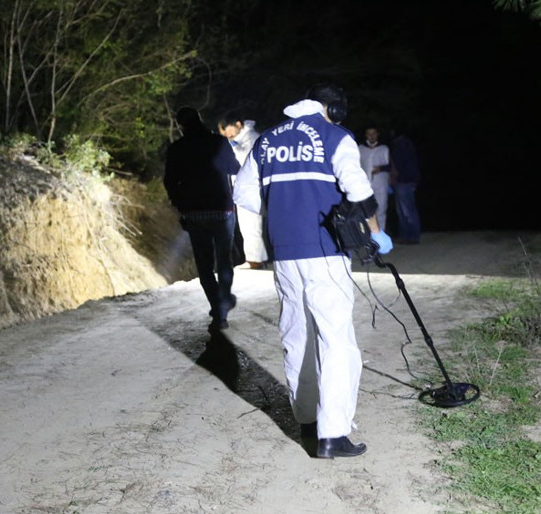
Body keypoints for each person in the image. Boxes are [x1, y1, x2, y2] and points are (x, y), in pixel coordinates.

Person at [233, 83, 393, 459]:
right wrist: (376, 233)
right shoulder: (335, 135)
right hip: (324, 250)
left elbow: (244, 196)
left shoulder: (268, 140)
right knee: (336, 339)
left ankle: (306, 421)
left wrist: (286, 208)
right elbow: (358, 190)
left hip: (284, 253)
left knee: (297, 333)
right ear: (333, 109)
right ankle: (332, 434)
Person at [164, 106, 240, 331]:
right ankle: (223, 303)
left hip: (195, 213)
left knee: (205, 266)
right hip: (222, 210)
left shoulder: (177, 149)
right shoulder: (218, 142)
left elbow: (170, 182)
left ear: (180, 125)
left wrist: (181, 206)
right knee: (224, 261)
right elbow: (235, 168)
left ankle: (218, 312)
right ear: (200, 119)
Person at [218, 114, 270, 269]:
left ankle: (256, 260)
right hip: (245, 188)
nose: (227, 135)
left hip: (252, 188)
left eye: (227, 131)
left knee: (251, 224)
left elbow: (246, 160)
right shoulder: (242, 138)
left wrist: (231, 148)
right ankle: (256, 258)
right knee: (247, 225)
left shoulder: (252, 137)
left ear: (238, 124)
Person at [388, 129, 422, 244]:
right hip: (406, 181)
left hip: (404, 181)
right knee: (405, 209)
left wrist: (394, 176)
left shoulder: (401, 145)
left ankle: (411, 236)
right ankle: (407, 235)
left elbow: (400, 165)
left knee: (406, 210)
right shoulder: (404, 144)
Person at [358, 125, 390, 231]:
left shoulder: (384, 148)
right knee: (366, 210)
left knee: (381, 209)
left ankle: (381, 234)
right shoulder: (361, 148)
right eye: (369, 134)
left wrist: (381, 168)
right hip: (365, 184)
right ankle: (367, 237)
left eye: (374, 134)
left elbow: (390, 165)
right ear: (366, 135)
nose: (371, 136)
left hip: (381, 183)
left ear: (377, 135)